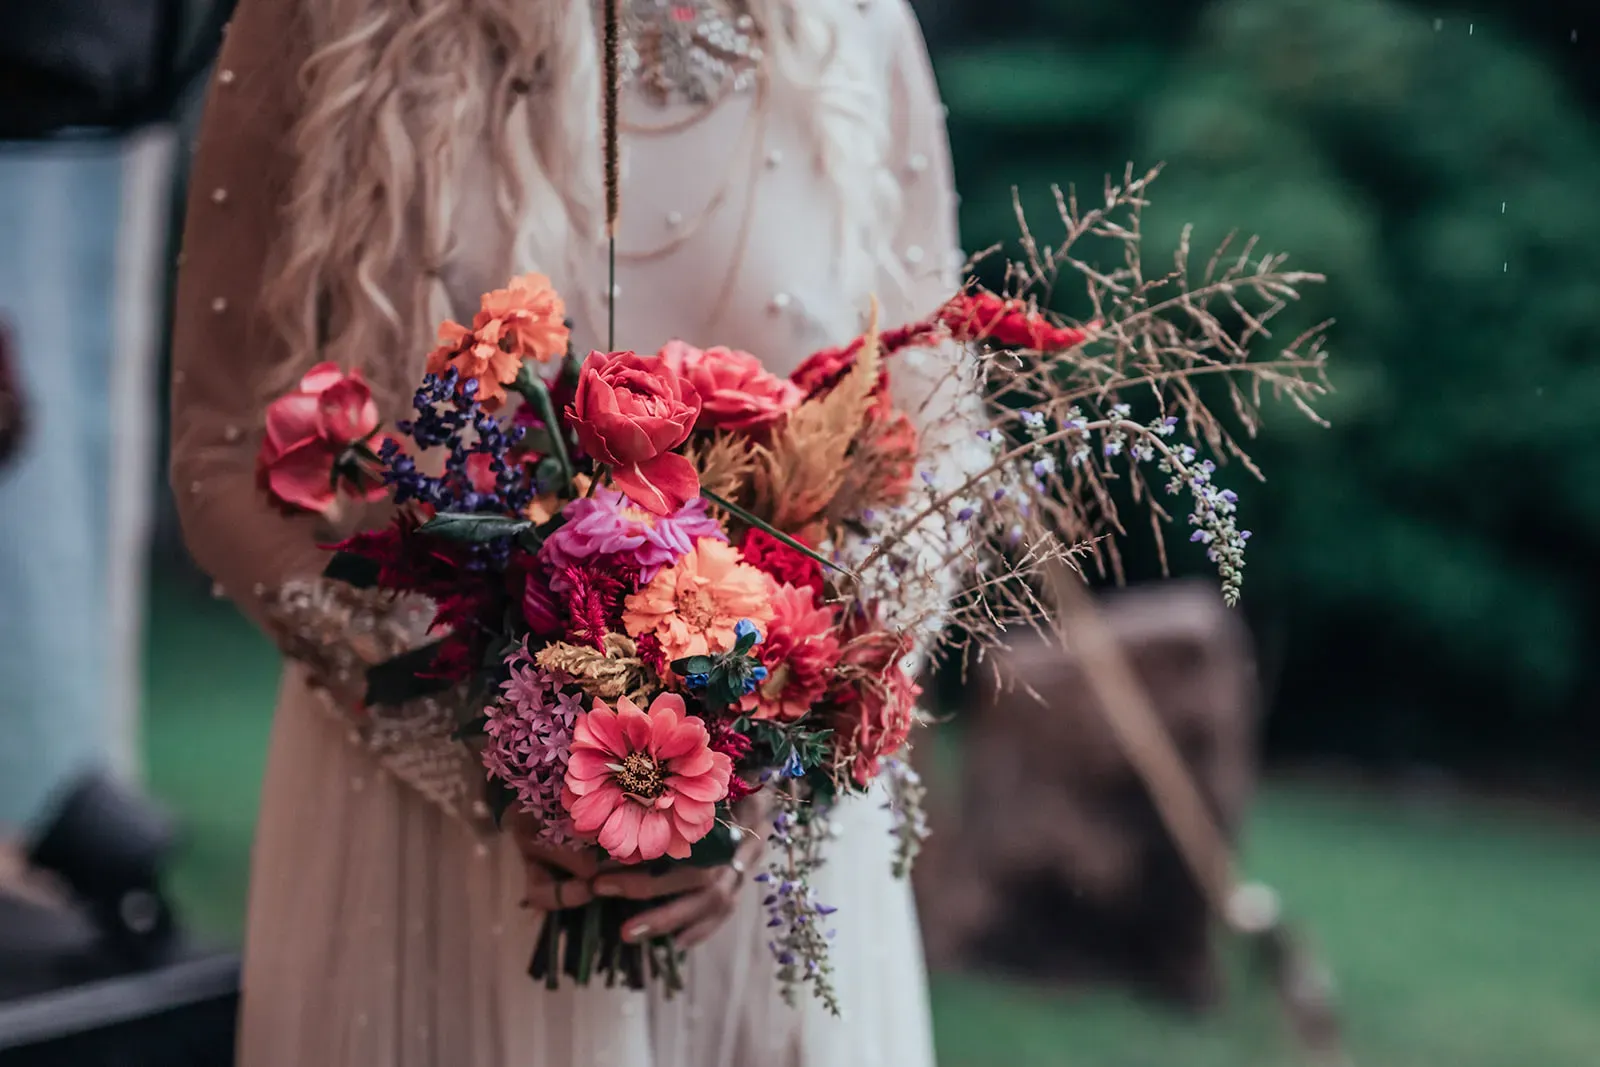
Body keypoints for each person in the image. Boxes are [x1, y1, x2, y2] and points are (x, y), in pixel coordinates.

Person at [169, 0, 966, 1063]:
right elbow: (221, 447)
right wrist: (498, 762)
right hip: (426, 855)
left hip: (775, 869)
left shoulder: (853, 21)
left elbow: (942, 426)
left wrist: (779, 744)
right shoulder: (329, 19)